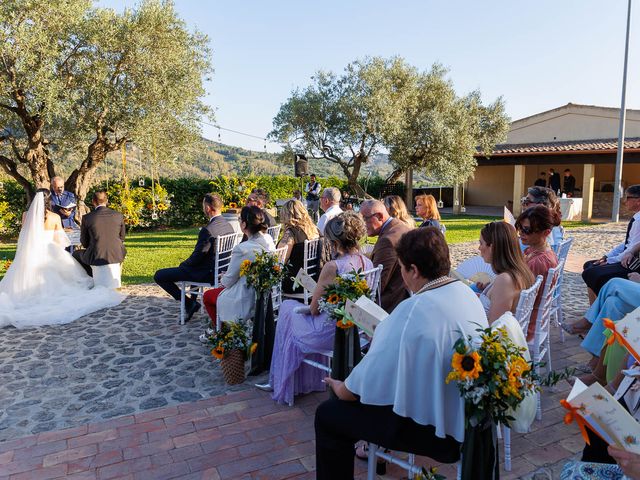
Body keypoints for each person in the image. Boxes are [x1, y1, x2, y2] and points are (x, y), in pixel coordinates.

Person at [314, 227, 488, 479]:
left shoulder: (413, 308)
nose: (403, 276)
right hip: (466, 415)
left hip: (436, 429)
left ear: (414, 270)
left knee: (328, 415)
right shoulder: (465, 293)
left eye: (402, 269)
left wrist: (340, 387)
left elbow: (360, 385)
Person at [262, 212, 372, 405]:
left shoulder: (333, 266)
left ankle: (282, 379)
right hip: (356, 329)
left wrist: (314, 297)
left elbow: (314, 310)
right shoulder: (367, 262)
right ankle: (297, 380)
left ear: (333, 241)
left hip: (329, 333)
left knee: (287, 308)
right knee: (291, 309)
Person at [0, 190, 123, 328]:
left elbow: (25, 236)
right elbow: (60, 241)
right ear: (49, 201)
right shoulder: (54, 217)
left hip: (30, 253)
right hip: (49, 251)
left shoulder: (25, 216)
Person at [154, 193, 234, 322]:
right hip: (220, 270)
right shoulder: (228, 225)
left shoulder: (208, 230)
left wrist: (184, 264)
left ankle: (189, 303)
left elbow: (198, 256)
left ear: (207, 208)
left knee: (159, 275)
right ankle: (191, 302)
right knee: (186, 269)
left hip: (206, 273)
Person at [202, 206, 275, 327]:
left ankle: (223, 331)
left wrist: (223, 277)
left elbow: (228, 282)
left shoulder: (242, 249)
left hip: (244, 296)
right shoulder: (268, 240)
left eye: (239, 219)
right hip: (262, 294)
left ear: (244, 224)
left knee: (207, 296)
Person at [582, 185, 640, 303]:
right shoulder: (637, 218)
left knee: (591, 272)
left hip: (633, 264)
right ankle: (594, 310)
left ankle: (598, 311)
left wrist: (610, 261)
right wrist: (607, 257)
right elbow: (627, 243)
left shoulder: (639, 221)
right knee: (589, 265)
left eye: (627, 198)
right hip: (627, 258)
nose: (625, 201)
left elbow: (632, 248)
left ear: (638, 201)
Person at [515, 205, 560, 340]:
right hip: (532, 317)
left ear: (546, 233)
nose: (521, 233)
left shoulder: (538, 263)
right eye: (520, 228)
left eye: (527, 230)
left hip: (525, 324)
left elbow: (520, 300)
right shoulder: (534, 251)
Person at [477, 221, 535, 324]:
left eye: (481, 243)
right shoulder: (521, 270)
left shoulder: (505, 280)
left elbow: (495, 327)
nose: (479, 248)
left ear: (492, 247)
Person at [359, 199, 411, 312]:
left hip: (389, 306)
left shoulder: (387, 241)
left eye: (364, 218)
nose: (362, 224)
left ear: (379, 216)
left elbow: (377, 286)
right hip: (404, 297)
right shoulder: (400, 226)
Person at [72, 191, 126, 277]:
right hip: (118, 253)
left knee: (75, 254)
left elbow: (84, 242)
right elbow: (122, 237)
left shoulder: (87, 218)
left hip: (96, 254)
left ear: (93, 201)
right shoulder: (118, 215)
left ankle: (91, 276)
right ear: (107, 201)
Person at [277, 199, 320, 295]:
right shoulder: (315, 230)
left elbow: (280, 260)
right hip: (312, 280)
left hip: (296, 281)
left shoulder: (291, 233)